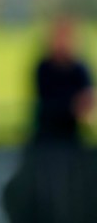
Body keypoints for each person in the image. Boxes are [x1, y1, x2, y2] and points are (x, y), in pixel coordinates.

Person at [30, 15, 94, 147]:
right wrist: (73, 105)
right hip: (46, 137)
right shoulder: (44, 68)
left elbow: (87, 100)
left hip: (71, 137)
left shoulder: (79, 69)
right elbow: (48, 102)